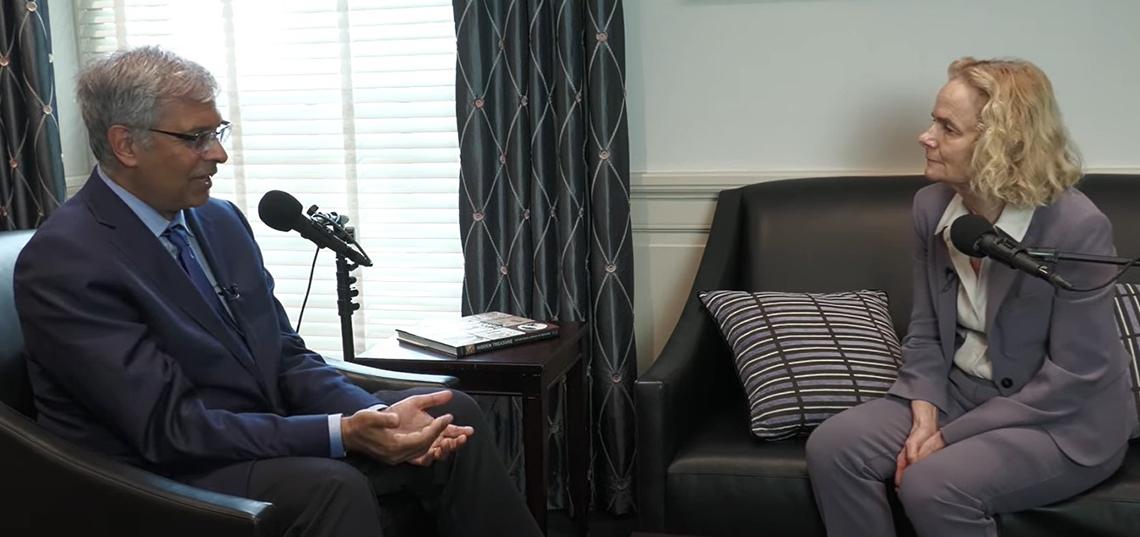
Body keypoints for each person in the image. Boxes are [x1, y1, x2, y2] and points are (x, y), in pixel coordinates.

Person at [14, 46, 541, 537]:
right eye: (195, 138)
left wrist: (380, 421)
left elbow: (284, 356)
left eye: (218, 130)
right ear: (125, 144)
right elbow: (169, 430)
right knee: (331, 486)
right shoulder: (67, 259)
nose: (218, 154)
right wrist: (340, 432)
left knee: (454, 410)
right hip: (153, 474)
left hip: (251, 438)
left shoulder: (218, 220)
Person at [805, 57, 1137, 536]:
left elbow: (1075, 376)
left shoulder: (1077, 227)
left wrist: (945, 437)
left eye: (948, 127)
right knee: (833, 446)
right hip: (961, 394)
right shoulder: (930, 207)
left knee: (931, 484)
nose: (926, 136)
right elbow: (924, 330)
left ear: (1001, 145)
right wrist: (924, 415)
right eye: (932, 120)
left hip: (1061, 420)